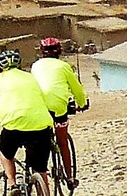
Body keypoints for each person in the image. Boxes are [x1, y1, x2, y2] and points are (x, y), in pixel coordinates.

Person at [0, 46, 57, 196]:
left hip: (14, 127)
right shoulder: (31, 79)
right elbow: (46, 99)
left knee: (5, 154)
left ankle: (12, 184)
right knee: (41, 169)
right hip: (41, 126)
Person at [30, 37, 88, 176]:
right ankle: (69, 177)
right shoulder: (63, 66)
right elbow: (77, 89)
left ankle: (36, 174)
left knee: (37, 142)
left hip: (38, 108)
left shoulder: (35, 66)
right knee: (62, 142)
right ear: (59, 51)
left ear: (41, 52)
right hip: (58, 109)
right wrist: (82, 103)